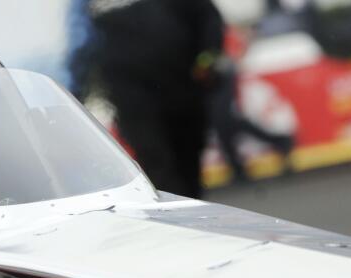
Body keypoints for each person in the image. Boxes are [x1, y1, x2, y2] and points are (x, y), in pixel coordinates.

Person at [79, 0, 226, 197]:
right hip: (130, 95)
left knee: (188, 158)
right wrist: (81, 86)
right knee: (156, 161)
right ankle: (177, 217)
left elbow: (208, 19)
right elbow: (78, 40)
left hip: (184, 86)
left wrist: (207, 60)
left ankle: (193, 211)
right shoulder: (82, 5)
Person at [208, 26, 294, 182]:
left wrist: (223, 62)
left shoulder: (209, 25)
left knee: (222, 120)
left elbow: (234, 46)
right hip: (208, 79)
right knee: (225, 122)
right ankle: (278, 143)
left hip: (220, 77)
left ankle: (239, 166)